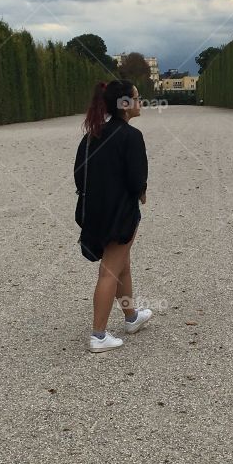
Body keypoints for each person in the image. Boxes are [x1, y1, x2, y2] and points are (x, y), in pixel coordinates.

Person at [74, 79, 153, 352]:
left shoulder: (91, 135)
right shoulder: (132, 136)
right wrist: (141, 191)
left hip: (95, 212)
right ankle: (98, 335)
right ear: (124, 104)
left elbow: (79, 174)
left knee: (122, 265)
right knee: (109, 270)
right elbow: (136, 178)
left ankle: (131, 316)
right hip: (120, 212)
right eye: (137, 97)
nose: (140, 101)